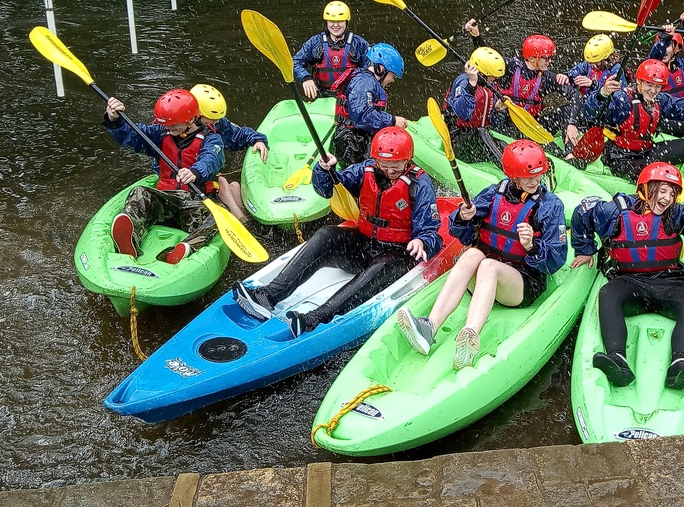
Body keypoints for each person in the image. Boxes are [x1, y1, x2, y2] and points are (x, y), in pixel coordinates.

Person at [234, 127, 444, 338]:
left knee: (382, 265)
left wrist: (422, 241)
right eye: (385, 165)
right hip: (365, 245)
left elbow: (431, 231)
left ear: (407, 160)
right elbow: (326, 189)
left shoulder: (419, 184)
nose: (389, 171)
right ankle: (267, 297)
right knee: (326, 234)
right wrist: (324, 170)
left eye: (395, 166)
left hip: (398, 254)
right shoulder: (365, 170)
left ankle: (315, 318)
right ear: (376, 159)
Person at [395, 140, 568, 370]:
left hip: (520, 284)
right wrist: (464, 216)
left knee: (488, 266)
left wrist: (531, 245)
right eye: (528, 177)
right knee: (471, 255)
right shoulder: (495, 193)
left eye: (538, 175)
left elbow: (556, 260)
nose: (534, 181)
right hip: (484, 277)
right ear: (513, 176)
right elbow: (463, 234)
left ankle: (470, 337)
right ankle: (429, 327)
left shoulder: (550, 205)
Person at [570, 162, 684, 389]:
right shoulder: (615, 212)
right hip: (628, 283)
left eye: (672, 193)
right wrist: (585, 249)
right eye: (662, 191)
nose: (667, 198)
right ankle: (617, 360)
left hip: (669, 283)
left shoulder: (678, 215)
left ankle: (680, 363)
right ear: (645, 188)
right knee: (608, 293)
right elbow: (583, 212)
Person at [105, 89, 226, 264]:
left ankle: (187, 247)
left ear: (191, 119)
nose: (169, 129)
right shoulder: (160, 133)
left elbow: (212, 159)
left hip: (193, 203)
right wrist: (115, 120)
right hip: (165, 201)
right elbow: (133, 136)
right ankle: (130, 240)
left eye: (174, 126)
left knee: (220, 215)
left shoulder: (211, 139)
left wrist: (195, 171)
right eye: (167, 126)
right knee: (140, 192)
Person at [581, 58, 684, 179]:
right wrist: (601, 94)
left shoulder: (659, 100)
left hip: (646, 152)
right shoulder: (622, 100)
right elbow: (589, 114)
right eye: (649, 84)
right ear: (638, 81)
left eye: (657, 86)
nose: (653, 91)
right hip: (621, 158)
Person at [463, 22, 581, 149]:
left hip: (532, 125)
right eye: (546, 58)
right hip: (505, 126)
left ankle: (570, 152)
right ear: (532, 59)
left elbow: (576, 95)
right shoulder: (510, 68)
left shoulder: (548, 78)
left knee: (566, 110)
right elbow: (487, 60)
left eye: (551, 57)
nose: (550, 61)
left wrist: (571, 123)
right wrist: (476, 36)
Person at [190, 83, 268, 223]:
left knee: (235, 186)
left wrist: (257, 140)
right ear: (196, 114)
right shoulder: (177, 129)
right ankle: (244, 222)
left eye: (217, 119)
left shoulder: (216, 124)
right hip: (190, 183)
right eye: (211, 119)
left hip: (208, 177)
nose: (216, 122)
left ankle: (249, 223)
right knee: (225, 184)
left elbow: (238, 135)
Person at [331, 42, 409, 164]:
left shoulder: (368, 81)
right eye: (392, 75)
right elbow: (362, 116)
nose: (392, 80)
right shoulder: (364, 83)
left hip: (356, 138)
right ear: (382, 69)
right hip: (350, 142)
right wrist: (392, 120)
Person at [292, 0, 370, 101]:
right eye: (332, 21)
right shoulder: (315, 42)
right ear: (326, 22)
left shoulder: (359, 44)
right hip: (322, 96)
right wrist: (305, 78)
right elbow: (295, 62)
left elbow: (370, 69)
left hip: (351, 97)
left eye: (340, 21)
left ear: (346, 22)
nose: (335, 25)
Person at [443, 47, 509, 164]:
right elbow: (462, 112)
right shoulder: (463, 82)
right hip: (458, 137)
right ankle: (507, 168)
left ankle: (512, 162)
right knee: (481, 132)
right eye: (492, 75)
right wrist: (471, 85)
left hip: (477, 136)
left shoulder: (489, 85)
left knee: (502, 145)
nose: (495, 78)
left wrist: (498, 110)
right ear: (481, 73)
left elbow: (494, 122)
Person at [567, 35, 620, 99]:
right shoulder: (591, 62)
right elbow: (577, 70)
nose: (593, 65)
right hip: (586, 101)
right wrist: (567, 76)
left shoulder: (616, 69)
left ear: (607, 58)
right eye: (591, 63)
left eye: (596, 62)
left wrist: (593, 85)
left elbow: (615, 97)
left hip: (600, 104)